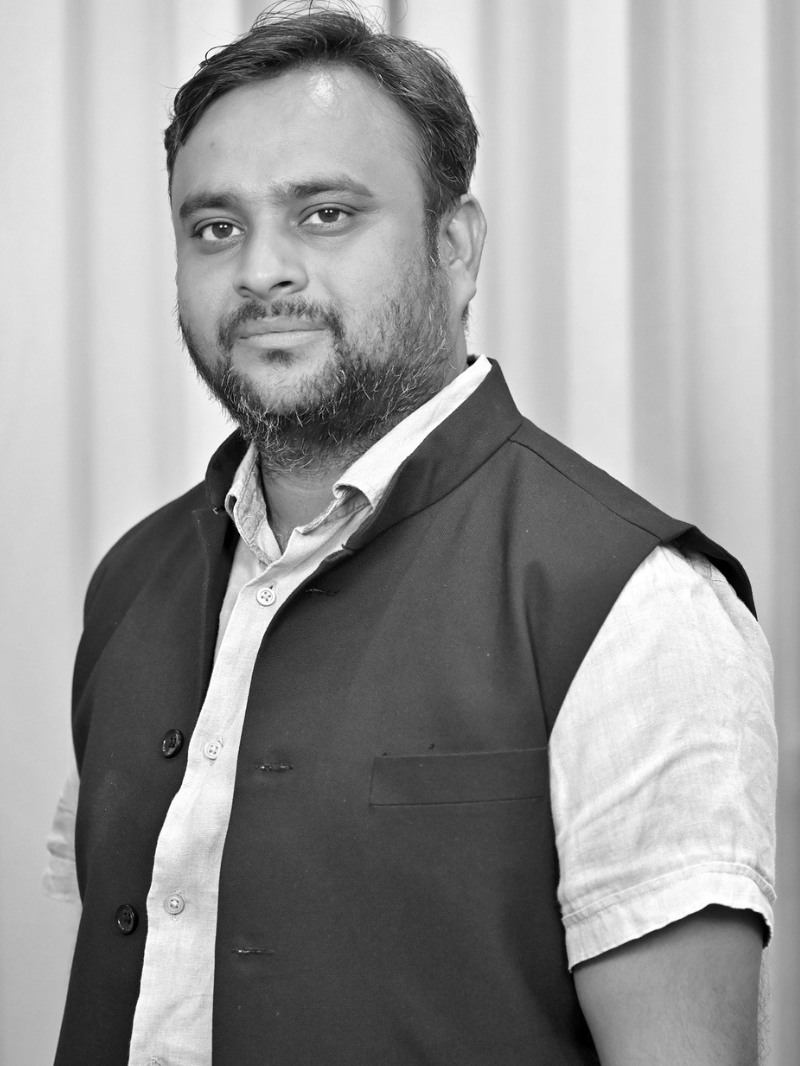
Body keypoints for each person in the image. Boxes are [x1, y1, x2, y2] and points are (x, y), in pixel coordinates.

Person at [48, 4, 776, 1065]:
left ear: (456, 246)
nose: (261, 270)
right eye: (215, 228)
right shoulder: (132, 582)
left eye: (325, 213)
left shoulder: (635, 603)